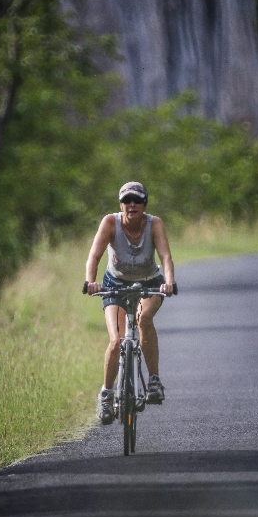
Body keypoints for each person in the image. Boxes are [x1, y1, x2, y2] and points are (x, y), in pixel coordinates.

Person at [84, 181, 175, 425]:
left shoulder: (154, 224)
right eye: (126, 200)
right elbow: (94, 255)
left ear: (145, 204)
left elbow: (165, 256)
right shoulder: (110, 223)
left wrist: (169, 282)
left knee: (144, 319)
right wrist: (91, 281)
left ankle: (154, 380)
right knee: (116, 341)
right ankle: (106, 394)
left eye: (136, 200)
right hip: (115, 284)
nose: (131, 204)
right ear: (120, 204)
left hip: (150, 282)